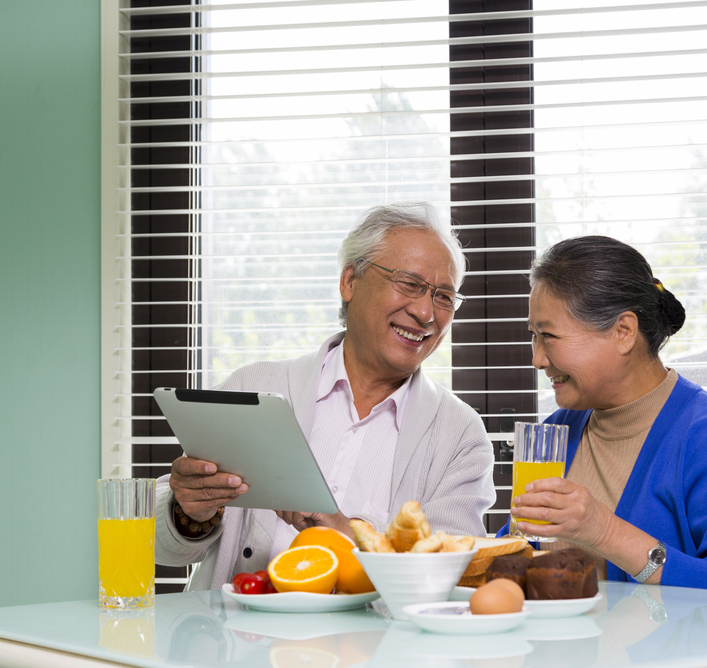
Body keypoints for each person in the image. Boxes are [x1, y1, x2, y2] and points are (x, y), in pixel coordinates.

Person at [156, 202, 496, 590]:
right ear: (349, 282)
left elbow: (454, 572)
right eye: (410, 284)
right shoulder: (252, 386)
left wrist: (350, 534)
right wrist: (188, 510)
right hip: (235, 639)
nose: (425, 312)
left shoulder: (460, 434)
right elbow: (162, 549)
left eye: (443, 297)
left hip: (373, 648)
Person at [508, 235, 707, 595]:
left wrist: (605, 531)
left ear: (623, 332)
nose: (537, 359)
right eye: (533, 336)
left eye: (549, 336)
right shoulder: (558, 432)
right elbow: (518, 553)